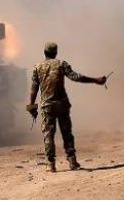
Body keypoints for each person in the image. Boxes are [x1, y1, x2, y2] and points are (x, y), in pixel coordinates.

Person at [27, 42, 106, 173]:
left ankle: (50, 164)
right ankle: (72, 161)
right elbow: (76, 77)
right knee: (67, 132)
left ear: (44, 52)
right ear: (55, 52)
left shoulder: (37, 67)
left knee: (48, 134)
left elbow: (34, 89)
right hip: (62, 104)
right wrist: (95, 80)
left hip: (47, 105)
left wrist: (31, 107)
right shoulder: (61, 64)